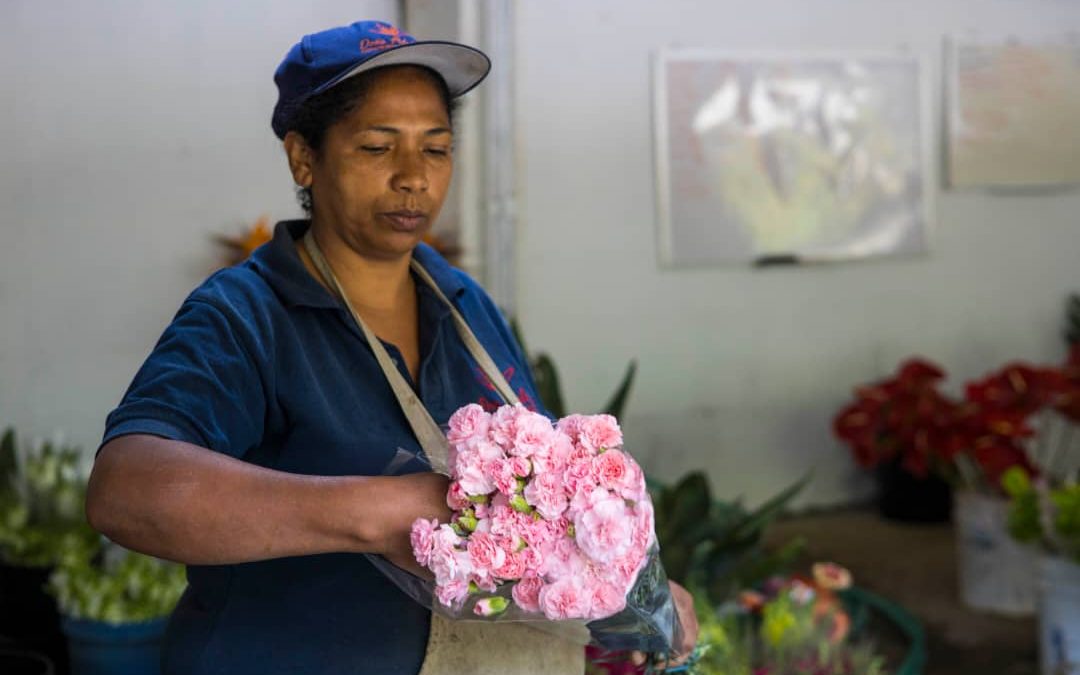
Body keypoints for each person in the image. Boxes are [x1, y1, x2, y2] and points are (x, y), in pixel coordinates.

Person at [86, 19, 698, 675]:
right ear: (303, 157)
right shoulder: (246, 316)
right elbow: (126, 491)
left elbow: (543, 508)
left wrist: (629, 582)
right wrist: (379, 510)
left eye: (435, 149)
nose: (413, 177)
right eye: (379, 147)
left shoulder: (465, 305)